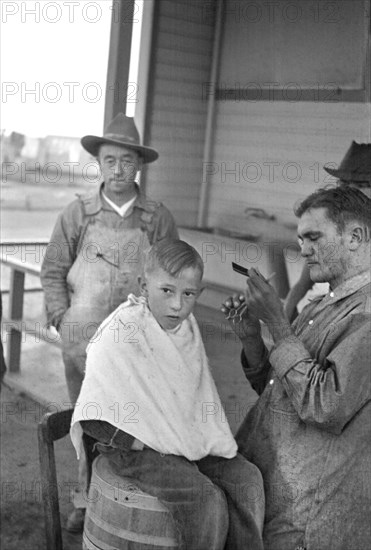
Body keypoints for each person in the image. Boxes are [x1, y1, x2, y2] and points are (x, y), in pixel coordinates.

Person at [70, 239, 265, 550]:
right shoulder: (122, 331)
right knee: (206, 500)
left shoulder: (187, 329)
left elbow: (192, 400)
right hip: (132, 448)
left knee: (248, 480)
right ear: (144, 285)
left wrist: (180, 440)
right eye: (167, 291)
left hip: (178, 440)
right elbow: (93, 415)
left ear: (199, 294)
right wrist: (139, 441)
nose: (178, 305)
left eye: (188, 294)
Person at [40, 113, 178, 531]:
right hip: (81, 343)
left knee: (130, 426)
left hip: (137, 347)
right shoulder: (77, 214)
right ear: (99, 164)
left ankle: (122, 506)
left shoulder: (157, 218)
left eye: (127, 161)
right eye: (110, 160)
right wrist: (62, 318)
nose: (118, 170)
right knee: (85, 423)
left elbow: (173, 279)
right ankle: (85, 501)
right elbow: (52, 271)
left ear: (140, 166)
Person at [222, 186, 371, 550]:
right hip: (270, 490)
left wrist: (277, 321)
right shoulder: (321, 305)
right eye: (301, 239)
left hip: (307, 515)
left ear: (356, 237)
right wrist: (252, 340)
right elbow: (281, 391)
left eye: (313, 237)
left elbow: (325, 406)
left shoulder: (366, 316)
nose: (303, 250)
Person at [285, 141, 371, 321]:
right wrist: (282, 317)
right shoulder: (331, 222)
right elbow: (303, 284)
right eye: (344, 183)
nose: (349, 190)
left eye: (362, 184)